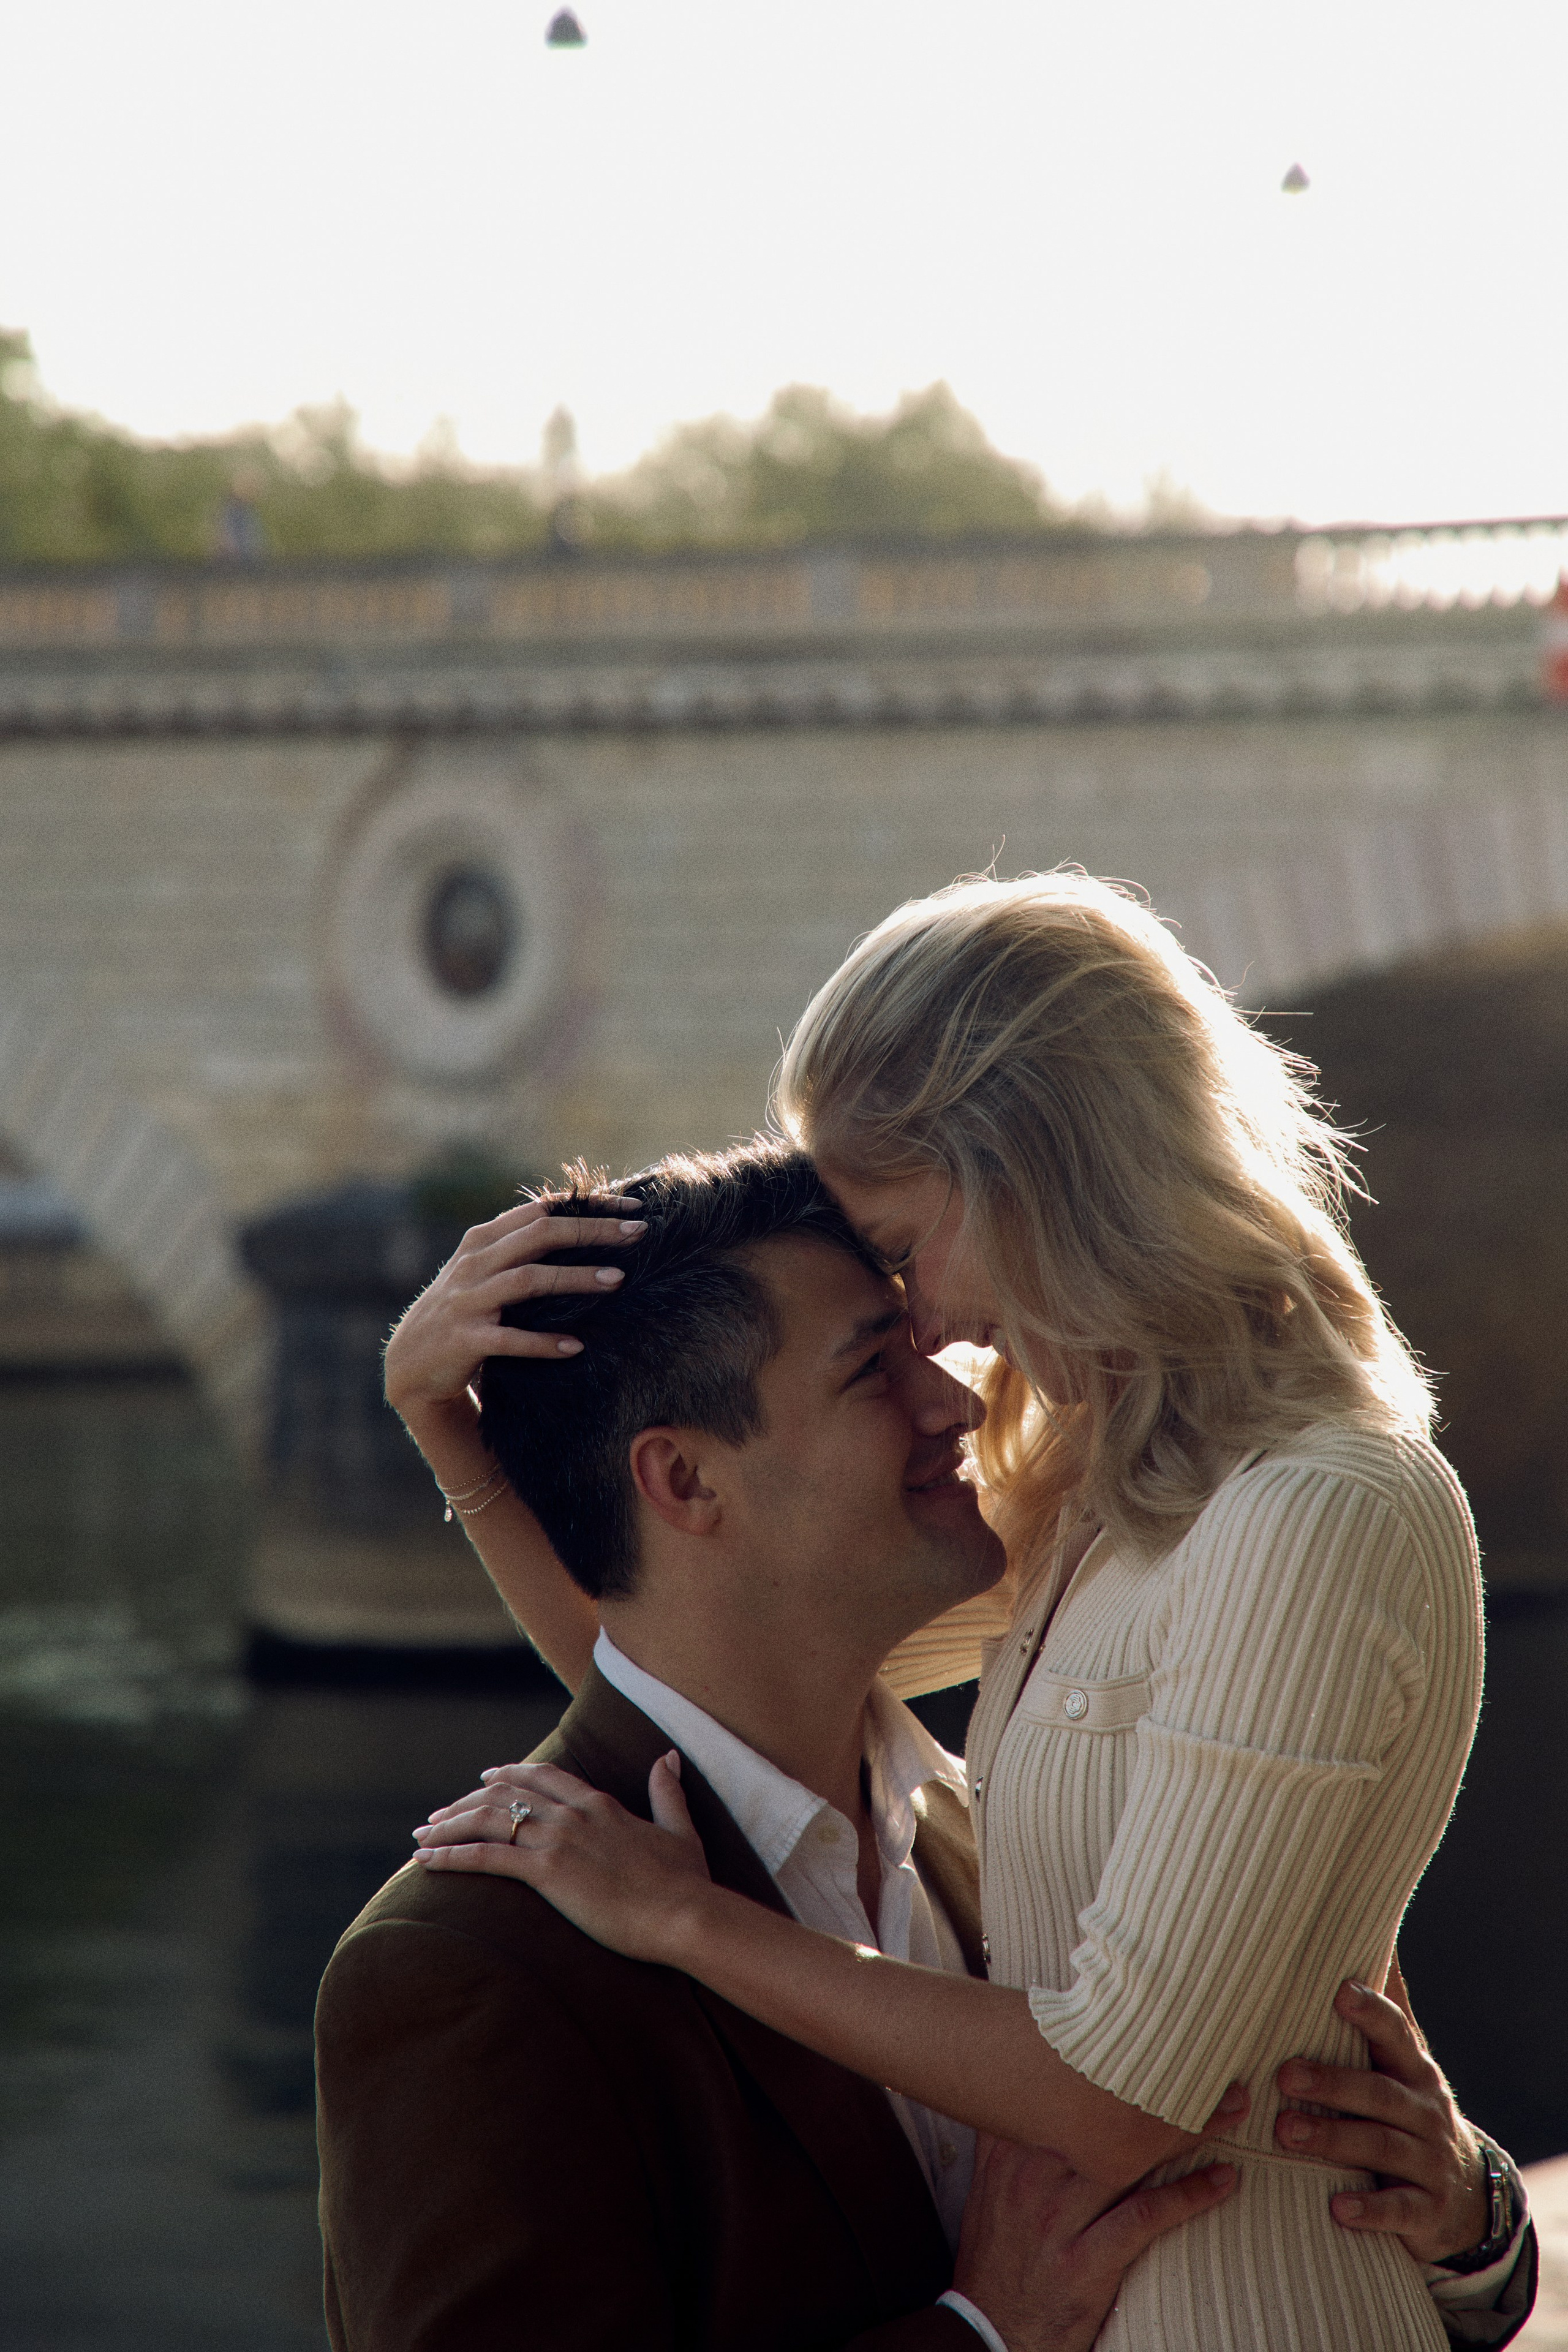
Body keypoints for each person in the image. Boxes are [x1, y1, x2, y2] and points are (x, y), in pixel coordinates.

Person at [398, 876, 1537, 2351]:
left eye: (900, 1244)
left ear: (1031, 1174)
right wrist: (450, 1432)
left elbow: (1116, 2098)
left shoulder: (1312, 1508)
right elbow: (710, 1658)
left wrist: (683, 1918)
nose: (923, 1323)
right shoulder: (1095, 1487)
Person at [322, 1148, 1246, 2352]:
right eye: (873, 1369)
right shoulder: (461, 1970)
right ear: (683, 1478)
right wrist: (981, 2334)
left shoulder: (995, 1827)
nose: (958, 1405)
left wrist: (1463, 2234)